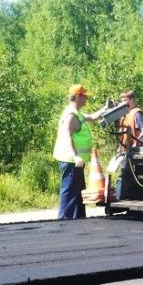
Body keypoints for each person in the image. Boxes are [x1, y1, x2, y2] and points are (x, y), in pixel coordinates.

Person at [52, 84, 102, 220]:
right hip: (71, 160)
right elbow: (67, 136)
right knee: (69, 192)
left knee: (78, 193)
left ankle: (78, 219)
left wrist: (106, 109)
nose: (87, 99)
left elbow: (92, 117)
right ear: (78, 97)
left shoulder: (77, 113)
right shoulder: (71, 115)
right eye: (85, 96)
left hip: (76, 162)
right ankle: (63, 220)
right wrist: (75, 156)